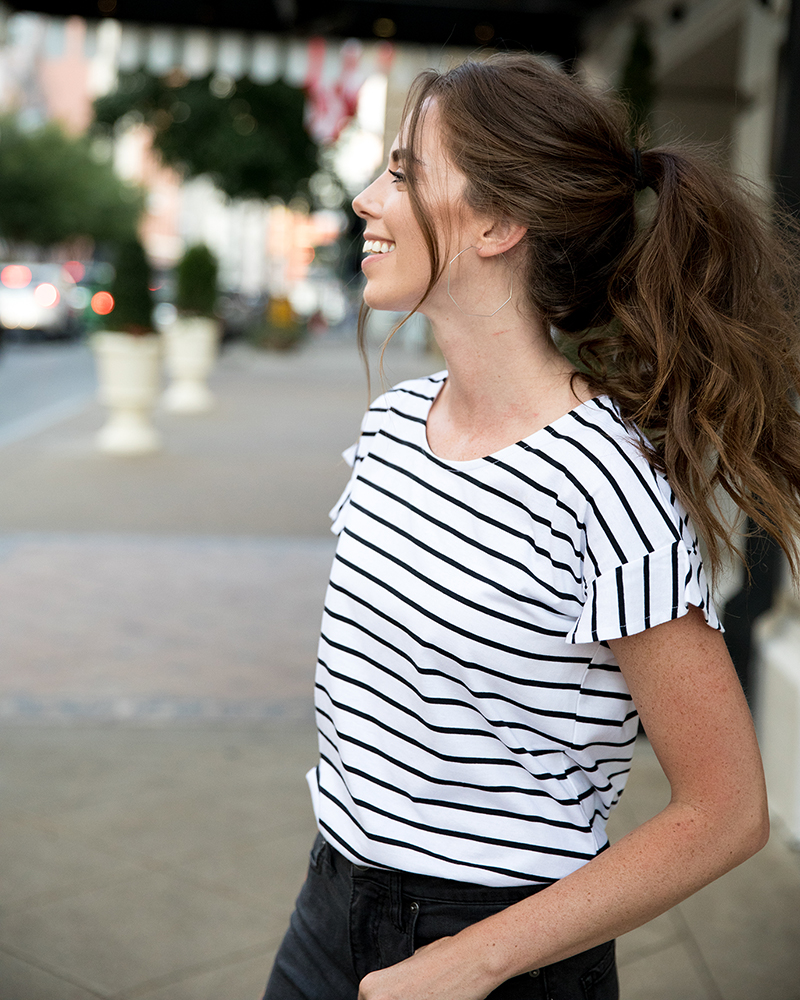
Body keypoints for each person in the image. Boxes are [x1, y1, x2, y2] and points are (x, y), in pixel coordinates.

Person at [262, 53, 800, 1000]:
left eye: (400, 172)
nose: (361, 199)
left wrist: (469, 964)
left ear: (501, 224)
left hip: (504, 952)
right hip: (326, 913)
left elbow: (727, 811)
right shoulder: (390, 427)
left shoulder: (605, 479)